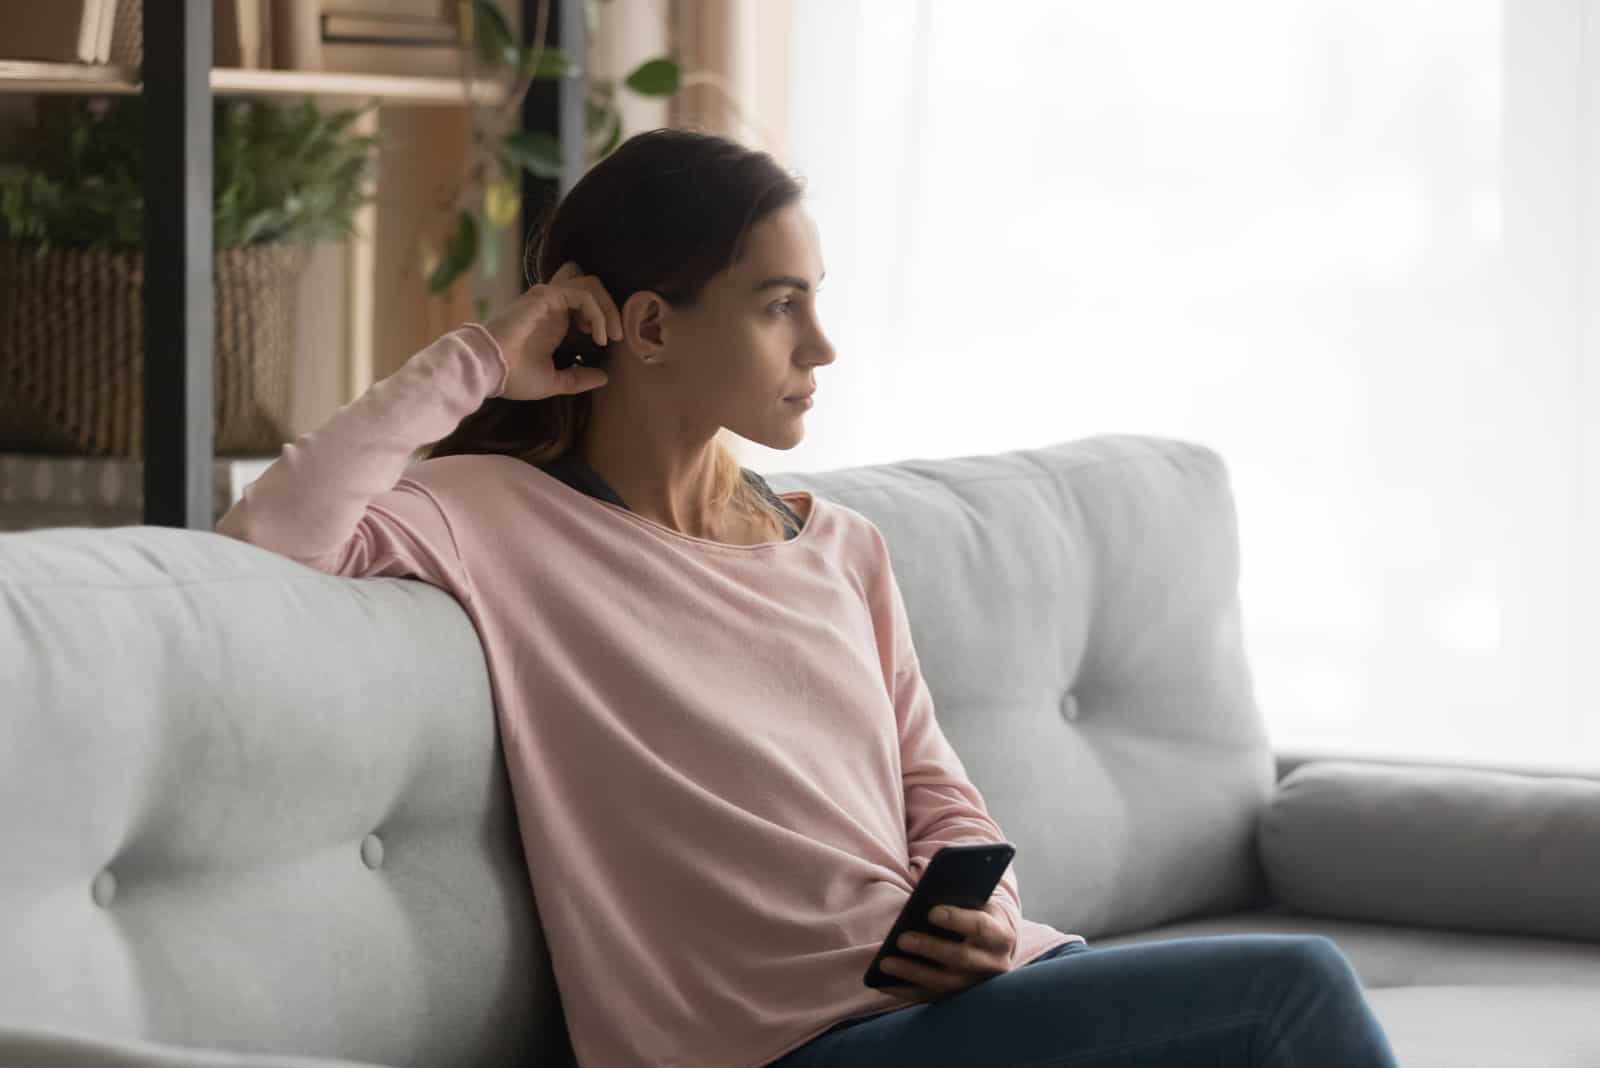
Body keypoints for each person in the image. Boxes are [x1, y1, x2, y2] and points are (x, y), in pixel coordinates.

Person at [215, 127, 1399, 1068]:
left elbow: (940, 797)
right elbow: (268, 534)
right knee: (1295, 991)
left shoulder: (840, 548)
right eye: (778, 303)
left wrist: (985, 915)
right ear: (646, 326)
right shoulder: (496, 516)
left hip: (956, 1007)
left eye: (816, 298)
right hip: (784, 1047)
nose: (822, 345)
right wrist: (487, 351)